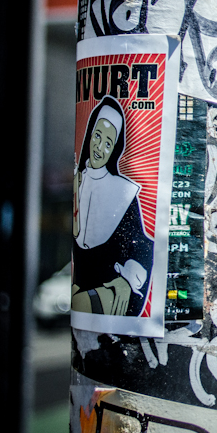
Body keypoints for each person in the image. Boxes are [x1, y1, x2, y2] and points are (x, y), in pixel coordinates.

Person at [72, 96, 153, 317]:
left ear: (115, 148)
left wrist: (128, 280)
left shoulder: (123, 191)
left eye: (108, 143)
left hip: (114, 289)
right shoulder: (78, 181)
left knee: (80, 302)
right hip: (85, 288)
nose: (99, 148)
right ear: (90, 135)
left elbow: (142, 246)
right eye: (97, 136)